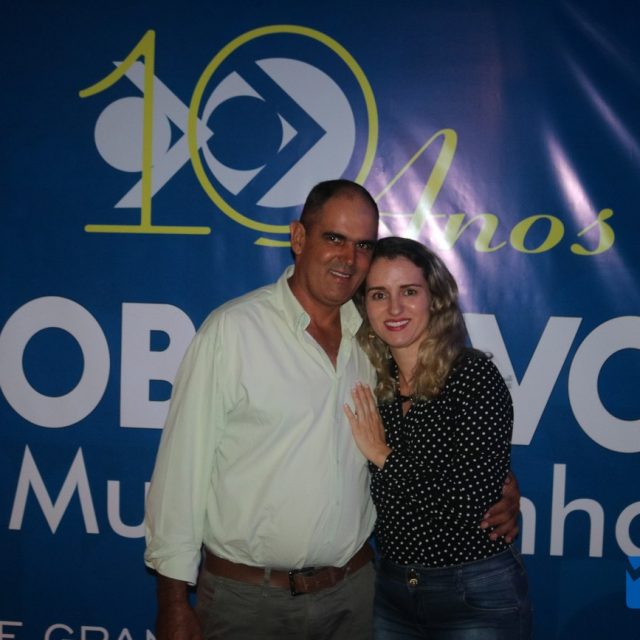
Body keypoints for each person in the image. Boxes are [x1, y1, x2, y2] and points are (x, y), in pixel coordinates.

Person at [144, 180, 521, 640]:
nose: (349, 257)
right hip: (249, 600)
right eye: (335, 238)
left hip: (354, 597)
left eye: (363, 245)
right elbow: (181, 473)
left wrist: (496, 484)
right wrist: (173, 602)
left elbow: (446, 448)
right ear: (298, 238)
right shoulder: (233, 332)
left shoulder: (373, 343)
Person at [343, 236, 532, 639]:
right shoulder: (373, 383)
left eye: (409, 291)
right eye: (379, 295)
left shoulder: (472, 376)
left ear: (436, 299)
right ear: (365, 306)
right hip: (392, 590)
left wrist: (383, 454)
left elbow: (466, 503)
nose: (394, 308)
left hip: (474, 591)